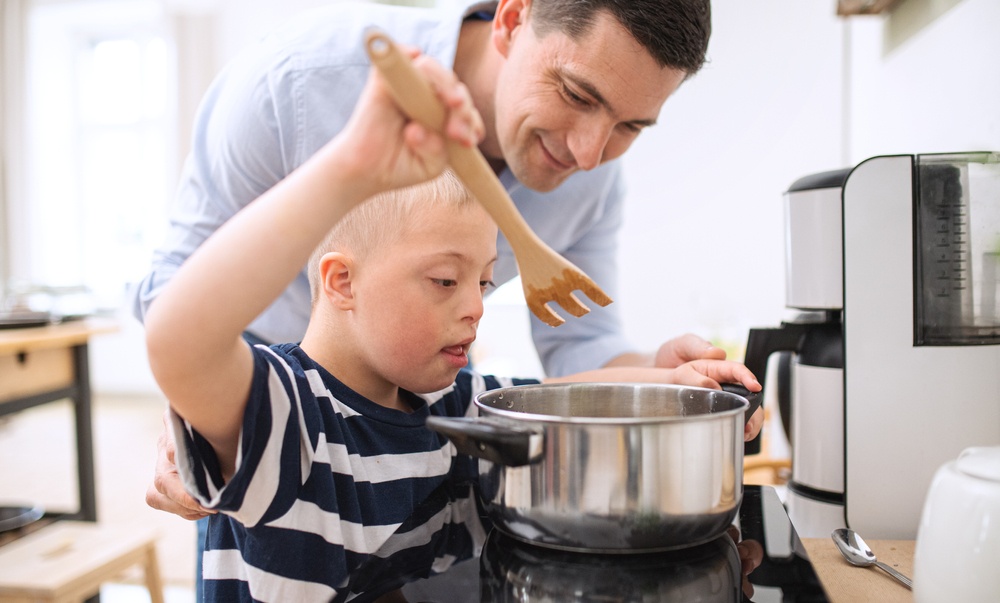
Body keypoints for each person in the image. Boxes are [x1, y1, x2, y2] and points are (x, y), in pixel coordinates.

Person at [132, 0, 766, 594]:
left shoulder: (456, 405)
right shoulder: (298, 82)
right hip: (254, 421)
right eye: (576, 94)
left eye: (630, 125)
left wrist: (661, 384)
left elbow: (574, 357)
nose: (590, 152)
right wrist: (210, 410)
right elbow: (179, 313)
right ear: (514, 18)